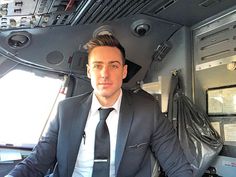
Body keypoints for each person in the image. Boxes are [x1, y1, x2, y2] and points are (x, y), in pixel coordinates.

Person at [6, 34, 193, 177]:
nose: (105, 74)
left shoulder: (147, 111)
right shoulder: (66, 111)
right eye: (97, 66)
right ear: (89, 71)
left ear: (124, 71)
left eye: (113, 66)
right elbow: (36, 163)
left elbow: (177, 166)